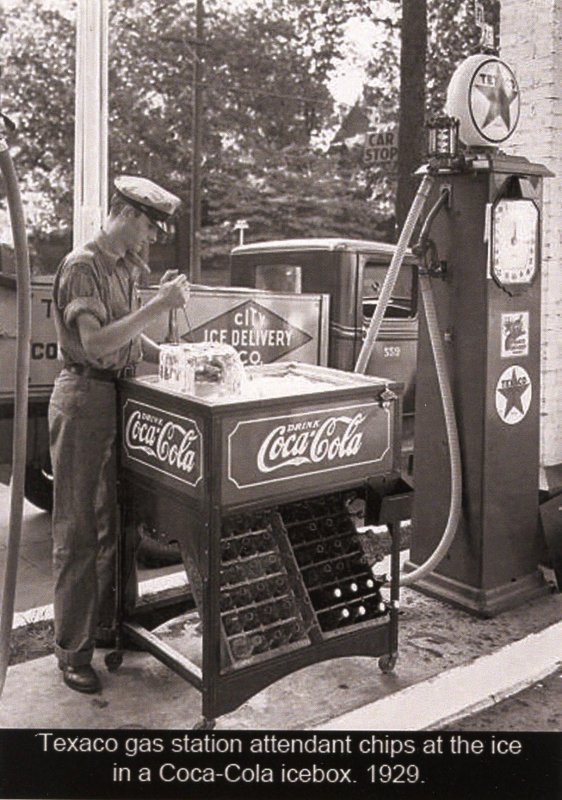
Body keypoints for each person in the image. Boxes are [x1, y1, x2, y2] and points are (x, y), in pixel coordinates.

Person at [49, 175, 189, 694]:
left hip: (120, 397)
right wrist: (159, 305)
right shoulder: (83, 265)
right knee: (79, 531)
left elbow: (129, 335)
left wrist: (174, 354)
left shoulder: (124, 267)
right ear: (127, 215)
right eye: (149, 227)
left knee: (119, 526)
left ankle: (109, 627)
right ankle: (72, 651)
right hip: (85, 398)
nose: (152, 239)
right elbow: (96, 346)